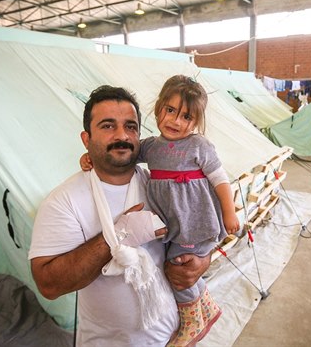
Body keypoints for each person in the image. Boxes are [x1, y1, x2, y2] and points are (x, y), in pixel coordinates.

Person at [28, 85, 211, 346]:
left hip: (174, 337)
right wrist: (118, 236)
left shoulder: (163, 187)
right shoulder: (64, 201)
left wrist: (202, 261)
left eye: (131, 126)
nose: (122, 135)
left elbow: (202, 225)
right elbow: (48, 284)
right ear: (86, 139)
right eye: (107, 126)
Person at [81, 75, 240, 346]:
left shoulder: (199, 146)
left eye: (187, 117)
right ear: (158, 109)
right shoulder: (151, 147)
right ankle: (206, 306)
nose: (176, 121)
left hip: (193, 221)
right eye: (170, 111)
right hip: (173, 223)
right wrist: (90, 157)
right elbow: (124, 153)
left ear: (196, 122)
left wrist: (229, 212)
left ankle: (191, 320)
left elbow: (220, 179)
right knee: (178, 264)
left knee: (176, 269)